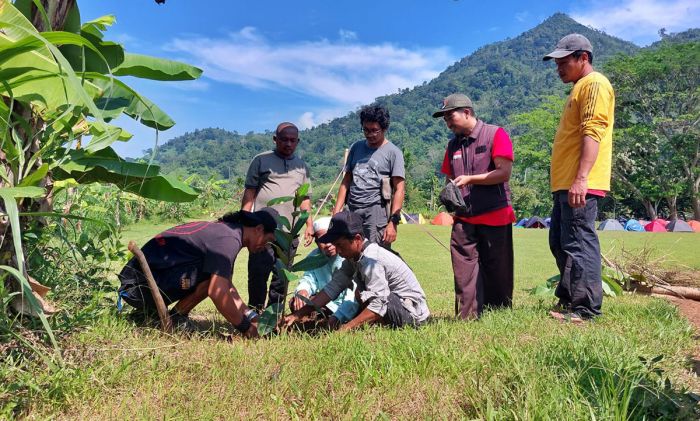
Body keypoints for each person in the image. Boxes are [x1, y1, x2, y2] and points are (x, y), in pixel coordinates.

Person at [117, 208, 280, 338]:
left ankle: (163, 317)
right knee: (212, 280)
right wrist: (246, 329)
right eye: (268, 241)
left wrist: (252, 317)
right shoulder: (228, 239)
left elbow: (228, 286)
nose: (265, 247)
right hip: (138, 287)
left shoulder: (229, 232)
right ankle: (175, 319)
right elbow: (218, 291)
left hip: (139, 284)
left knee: (216, 278)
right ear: (258, 229)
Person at [543, 34, 615, 322]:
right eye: (556, 63)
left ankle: (586, 310)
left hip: (580, 182)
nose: (558, 68)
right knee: (560, 242)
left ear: (583, 58)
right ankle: (572, 301)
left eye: (564, 61)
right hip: (565, 183)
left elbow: (593, 131)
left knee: (579, 243)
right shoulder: (578, 88)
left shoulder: (595, 84)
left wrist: (581, 178)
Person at [433, 93, 515, 320]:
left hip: (495, 214)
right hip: (464, 218)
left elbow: (503, 172)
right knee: (463, 270)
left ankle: (498, 314)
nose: (448, 123)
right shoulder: (452, 145)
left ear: (467, 112)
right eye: (445, 119)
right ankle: (467, 317)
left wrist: (470, 179)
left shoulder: (495, 134)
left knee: (497, 269)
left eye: (450, 117)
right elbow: (448, 178)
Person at [282, 211, 429, 331]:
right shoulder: (354, 257)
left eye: (340, 245)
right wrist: (298, 314)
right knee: (362, 292)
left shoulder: (371, 260)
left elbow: (380, 303)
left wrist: (345, 329)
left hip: (413, 315)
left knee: (369, 294)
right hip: (394, 306)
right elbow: (333, 287)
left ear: (357, 238)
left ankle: (378, 326)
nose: (338, 251)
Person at [242, 122, 314, 311]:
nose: (288, 144)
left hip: (289, 232)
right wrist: (243, 220)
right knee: (258, 272)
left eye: (292, 140)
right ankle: (256, 314)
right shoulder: (261, 160)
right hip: (262, 231)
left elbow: (305, 197)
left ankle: (274, 315)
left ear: (297, 141)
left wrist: (309, 225)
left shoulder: (302, 167)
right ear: (275, 139)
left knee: (282, 276)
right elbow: (250, 191)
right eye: (284, 140)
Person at [332, 105, 405, 248]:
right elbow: (346, 181)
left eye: (374, 130)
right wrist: (336, 211)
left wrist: (393, 222)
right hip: (352, 210)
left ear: (384, 129)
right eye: (365, 130)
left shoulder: (393, 152)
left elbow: (399, 189)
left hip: (376, 213)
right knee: (350, 252)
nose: (370, 134)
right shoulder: (356, 148)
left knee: (374, 255)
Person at [289, 217, 359, 329]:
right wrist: (303, 290)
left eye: (332, 238)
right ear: (316, 242)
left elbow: (352, 294)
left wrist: (339, 316)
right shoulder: (314, 256)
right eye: (323, 240)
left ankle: (326, 320)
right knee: (295, 302)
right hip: (324, 301)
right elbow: (309, 278)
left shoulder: (347, 256)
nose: (328, 244)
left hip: (345, 305)